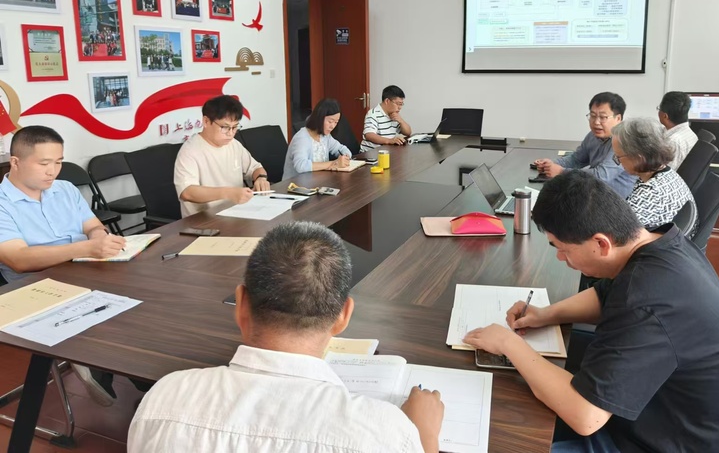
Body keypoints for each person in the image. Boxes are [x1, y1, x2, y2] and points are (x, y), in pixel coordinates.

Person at [462, 171, 719, 452]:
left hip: (667, 443)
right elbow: (606, 295)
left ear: (601, 243)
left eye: (562, 248)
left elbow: (585, 416)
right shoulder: (661, 244)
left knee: (503, 435)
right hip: (667, 417)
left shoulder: (646, 300)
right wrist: (545, 314)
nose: (561, 257)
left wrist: (508, 344)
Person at [128, 221, 444, 453]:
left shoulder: (162, 398)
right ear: (343, 316)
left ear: (240, 305)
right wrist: (425, 438)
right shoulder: (385, 433)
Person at [0, 126, 129, 406]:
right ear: (16, 162)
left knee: (143, 300)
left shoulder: (65, 189)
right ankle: (95, 359)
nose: (53, 171)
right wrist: (86, 248)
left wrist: (99, 237)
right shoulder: (2, 203)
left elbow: (93, 225)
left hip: (85, 268)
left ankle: (134, 371)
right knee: (115, 314)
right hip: (36, 285)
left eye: (58, 162)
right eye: (44, 163)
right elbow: (19, 260)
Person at [174, 95, 270, 217]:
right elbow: (187, 192)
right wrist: (228, 193)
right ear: (206, 121)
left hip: (237, 214)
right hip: (204, 220)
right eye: (225, 127)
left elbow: (256, 168)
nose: (231, 133)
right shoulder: (190, 151)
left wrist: (261, 179)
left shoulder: (234, 144)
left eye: (235, 127)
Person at [535, 92, 637, 199]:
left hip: (615, 202)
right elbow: (576, 159)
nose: (596, 122)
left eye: (603, 117)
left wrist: (561, 171)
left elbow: (602, 176)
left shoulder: (623, 142)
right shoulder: (593, 136)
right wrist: (551, 165)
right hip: (594, 195)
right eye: (593, 116)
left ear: (618, 119)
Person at [612, 118, 696, 235]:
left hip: (660, 245)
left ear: (638, 158)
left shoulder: (650, 195)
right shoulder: (666, 174)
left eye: (618, 157)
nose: (618, 163)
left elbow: (616, 234)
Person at [283, 98, 352, 180]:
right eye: (330, 122)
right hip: (295, 185)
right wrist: (334, 163)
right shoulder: (302, 137)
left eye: (336, 122)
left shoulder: (325, 136)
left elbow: (342, 149)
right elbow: (301, 166)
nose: (332, 126)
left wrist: (345, 157)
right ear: (319, 118)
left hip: (318, 182)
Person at [360, 85, 412, 152]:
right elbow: (369, 135)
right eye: (398, 104)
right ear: (387, 101)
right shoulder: (373, 114)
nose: (400, 107)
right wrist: (389, 141)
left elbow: (408, 133)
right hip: (370, 153)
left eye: (401, 104)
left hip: (386, 151)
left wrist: (401, 121)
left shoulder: (394, 114)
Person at [657, 91, 698, 170]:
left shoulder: (673, 142)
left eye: (659, 109)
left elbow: (663, 173)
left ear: (665, 116)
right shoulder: (690, 133)